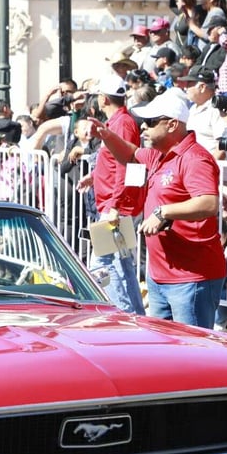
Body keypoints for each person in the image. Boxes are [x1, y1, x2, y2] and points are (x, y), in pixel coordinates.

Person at [87, 89, 226, 329]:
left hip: (190, 279)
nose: (143, 128)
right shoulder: (159, 155)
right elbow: (130, 155)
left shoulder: (195, 158)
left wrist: (163, 212)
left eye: (150, 122)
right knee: (167, 353)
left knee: (192, 356)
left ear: (172, 125)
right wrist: (107, 136)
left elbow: (208, 202)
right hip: (161, 277)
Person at [77, 75, 146, 315]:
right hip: (115, 205)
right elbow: (117, 162)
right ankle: (134, 316)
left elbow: (127, 165)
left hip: (115, 207)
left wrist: (116, 205)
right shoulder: (120, 122)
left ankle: (124, 315)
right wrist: (94, 176)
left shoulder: (122, 123)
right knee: (121, 264)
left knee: (102, 264)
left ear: (103, 99)